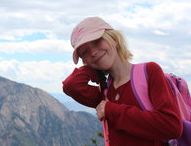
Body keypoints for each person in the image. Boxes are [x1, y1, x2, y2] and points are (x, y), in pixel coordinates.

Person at [62, 17, 183, 146]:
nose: (93, 52)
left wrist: (111, 111)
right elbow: (71, 86)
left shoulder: (149, 71)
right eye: (84, 52)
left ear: (114, 39)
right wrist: (94, 68)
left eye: (97, 41)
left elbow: (172, 127)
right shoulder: (105, 92)